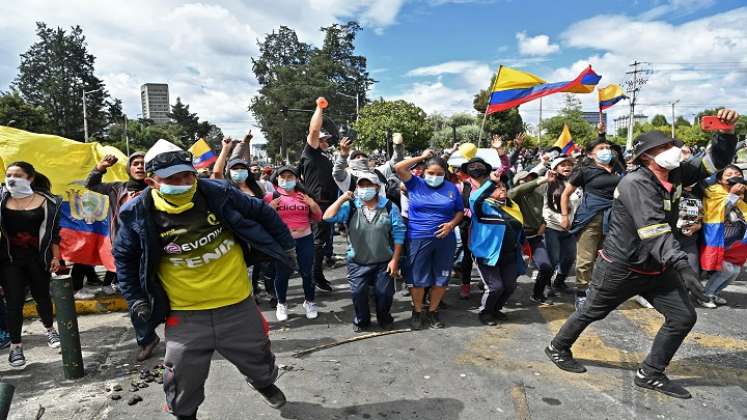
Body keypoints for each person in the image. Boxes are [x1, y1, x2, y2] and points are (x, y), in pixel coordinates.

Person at [545, 109, 739, 400]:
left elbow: (712, 162)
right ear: (647, 157)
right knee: (592, 311)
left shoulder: (677, 173)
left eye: (671, 146)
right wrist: (684, 267)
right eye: (663, 148)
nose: (672, 151)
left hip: (657, 268)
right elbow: (653, 230)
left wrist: (725, 134)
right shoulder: (635, 183)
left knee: (683, 317)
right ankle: (557, 347)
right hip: (623, 267)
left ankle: (651, 372)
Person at [114, 139, 297, 418]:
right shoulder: (136, 214)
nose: (184, 182)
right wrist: (136, 298)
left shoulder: (217, 192)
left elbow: (261, 212)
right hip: (184, 312)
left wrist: (286, 246)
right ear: (152, 182)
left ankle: (263, 383)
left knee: (258, 356)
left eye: (188, 175)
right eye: (173, 178)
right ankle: (185, 414)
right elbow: (124, 260)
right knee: (182, 376)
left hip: (237, 301)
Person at [323, 173, 406, 332]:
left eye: (369, 185)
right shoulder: (352, 206)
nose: (365, 189)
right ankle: (361, 320)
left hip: (383, 261)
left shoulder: (389, 206)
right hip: (357, 261)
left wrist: (395, 260)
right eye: (361, 185)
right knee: (358, 293)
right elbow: (328, 217)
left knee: (384, 294)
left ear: (377, 187)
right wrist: (341, 199)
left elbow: (399, 234)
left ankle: (384, 318)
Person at [1, 162, 62, 368]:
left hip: (38, 258)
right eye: (8, 174)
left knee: (42, 296)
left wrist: (56, 257)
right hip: (9, 261)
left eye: (17, 175)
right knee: (14, 303)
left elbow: (54, 234)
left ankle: (50, 329)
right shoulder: (1, 200)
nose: (11, 178)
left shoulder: (48, 202)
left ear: (30, 178)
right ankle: (16, 347)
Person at [394, 150, 464, 330]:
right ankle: (417, 311)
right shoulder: (414, 183)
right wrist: (422, 158)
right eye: (431, 173)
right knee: (417, 279)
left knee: (441, 279)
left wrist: (451, 225)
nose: (435, 176)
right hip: (418, 238)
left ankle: (433, 311)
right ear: (424, 172)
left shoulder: (451, 188)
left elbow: (459, 211)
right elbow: (398, 167)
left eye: (440, 174)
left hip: (445, 239)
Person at [560, 128, 622, 309]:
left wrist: (602, 135)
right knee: (585, 259)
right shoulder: (585, 171)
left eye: (608, 148)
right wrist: (565, 216)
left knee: (608, 258)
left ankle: (599, 290)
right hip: (591, 218)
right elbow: (565, 194)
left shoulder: (617, 168)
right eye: (601, 148)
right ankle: (581, 292)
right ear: (590, 154)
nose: (606, 151)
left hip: (614, 219)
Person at [466, 159, 525, 325]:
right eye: (498, 188)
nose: (502, 191)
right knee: (496, 287)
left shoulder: (512, 206)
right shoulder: (481, 206)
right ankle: (485, 313)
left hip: (510, 254)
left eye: (504, 188)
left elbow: (519, 230)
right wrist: (492, 182)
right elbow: (474, 198)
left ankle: (496, 309)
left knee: (510, 286)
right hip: (488, 254)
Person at [264, 166, 322, 321]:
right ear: (277, 178)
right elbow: (262, 219)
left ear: (297, 179)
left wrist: (312, 203)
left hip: (305, 238)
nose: (286, 179)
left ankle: (309, 302)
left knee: (307, 272)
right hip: (283, 241)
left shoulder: (304, 196)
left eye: (290, 176)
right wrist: (270, 209)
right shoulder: (271, 196)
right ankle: (281, 303)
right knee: (282, 274)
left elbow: (318, 216)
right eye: (283, 176)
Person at [298, 97, 340, 292]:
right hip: (317, 204)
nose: (325, 142)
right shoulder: (311, 152)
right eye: (323, 139)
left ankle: (317, 274)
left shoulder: (324, 156)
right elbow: (314, 130)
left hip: (328, 204)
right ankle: (314, 276)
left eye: (326, 140)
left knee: (321, 243)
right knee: (317, 243)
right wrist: (319, 107)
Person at [700, 164, 747, 308]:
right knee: (726, 269)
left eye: (737, 173)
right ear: (720, 180)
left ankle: (714, 293)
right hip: (719, 239)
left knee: (735, 271)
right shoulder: (713, 192)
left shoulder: (743, 195)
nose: (734, 176)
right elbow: (718, 215)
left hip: (735, 241)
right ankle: (705, 295)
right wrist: (732, 195)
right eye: (729, 174)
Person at [509, 169, 555, 305]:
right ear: (517, 182)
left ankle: (537, 294)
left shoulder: (538, 196)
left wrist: (543, 224)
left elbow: (541, 215)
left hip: (534, 238)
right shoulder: (512, 196)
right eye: (525, 179)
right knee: (512, 272)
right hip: (516, 239)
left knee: (546, 267)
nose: (530, 182)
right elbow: (516, 191)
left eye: (532, 179)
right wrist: (540, 180)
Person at [542, 156, 579, 296]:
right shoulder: (548, 183)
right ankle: (545, 285)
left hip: (569, 228)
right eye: (562, 165)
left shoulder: (577, 184)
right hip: (551, 227)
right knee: (553, 258)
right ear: (555, 168)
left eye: (569, 164)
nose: (566, 167)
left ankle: (559, 282)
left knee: (570, 256)